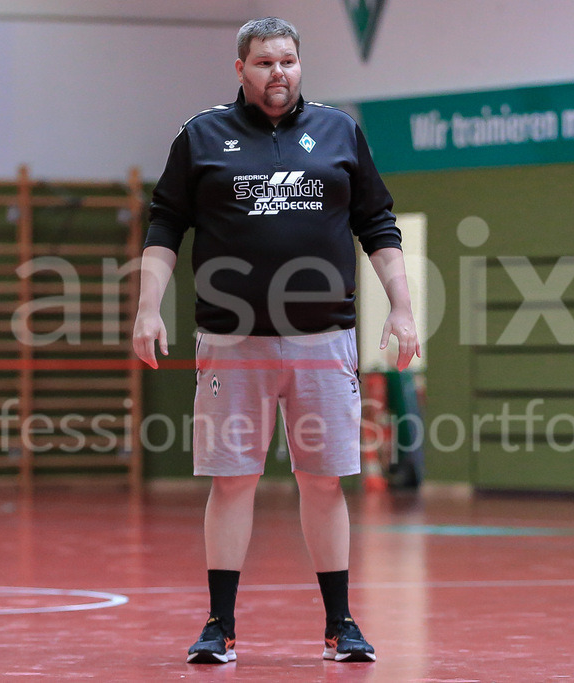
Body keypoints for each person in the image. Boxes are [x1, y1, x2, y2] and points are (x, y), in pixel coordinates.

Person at [133, 16, 419, 665]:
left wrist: (403, 307)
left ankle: (340, 624)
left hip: (324, 340)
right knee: (232, 480)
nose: (278, 73)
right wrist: (147, 308)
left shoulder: (339, 131)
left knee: (323, 481)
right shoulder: (201, 136)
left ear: (300, 64)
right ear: (241, 68)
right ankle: (220, 626)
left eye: (288, 61)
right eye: (264, 62)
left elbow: (377, 221)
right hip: (232, 341)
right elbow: (166, 223)